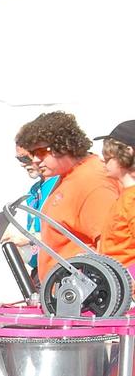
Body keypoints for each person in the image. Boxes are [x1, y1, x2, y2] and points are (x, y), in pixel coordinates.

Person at [15, 111, 119, 273]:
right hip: (65, 290)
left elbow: (110, 249)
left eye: (41, 152)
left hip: (85, 291)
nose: (35, 160)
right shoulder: (67, 177)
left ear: (63, 145)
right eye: (33, 154)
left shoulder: (92, 180)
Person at [2, 145, 59, 276]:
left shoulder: (61, 184)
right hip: (40, 271)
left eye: (25, 158)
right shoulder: (34, 190)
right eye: (19, 159)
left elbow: (68, 232)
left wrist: (27, 238)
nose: (22, 164)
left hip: (61, 270)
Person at [96, 120, 135, 268]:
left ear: (128, 152)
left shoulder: (132, 199)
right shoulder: (126, 195)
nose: (101, 159)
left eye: (107, 156)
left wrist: (128, 280)